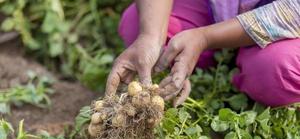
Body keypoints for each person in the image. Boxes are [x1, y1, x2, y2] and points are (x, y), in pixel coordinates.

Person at [105, 0, 300, 107]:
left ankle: (237, 60)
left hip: (288, 24)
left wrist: (204, 38)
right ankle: (188, 58)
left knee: (277, 70)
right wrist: (151, 35)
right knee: (136, 25)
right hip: (219, 6)